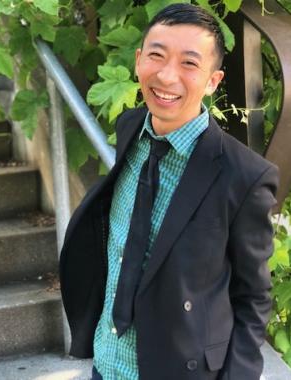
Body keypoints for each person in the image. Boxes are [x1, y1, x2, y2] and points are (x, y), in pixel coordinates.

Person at [60, 3, 279, 380]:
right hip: (107, 362)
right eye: (157, 56)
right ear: (139, 59)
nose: (166, 76)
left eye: (190, 64)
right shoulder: (131, 128)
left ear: (213, 80)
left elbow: (253, 297)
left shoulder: (245, 176)